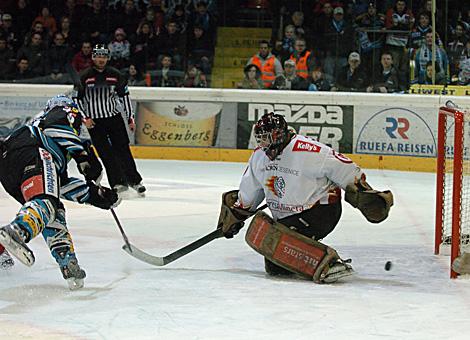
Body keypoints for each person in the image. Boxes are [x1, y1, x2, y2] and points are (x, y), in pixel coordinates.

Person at [216, 113, 393, 283]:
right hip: (287, 217)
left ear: (277, 136)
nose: (263, 144)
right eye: (260, 139)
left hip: (321, 212)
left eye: (266, 138)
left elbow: (345, 168)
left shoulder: (309, 151)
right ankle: (311, 253)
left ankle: (330, 262)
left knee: (279, 241)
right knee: (276, 266)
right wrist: (237, 214)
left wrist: (362, 192)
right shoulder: (259, 157)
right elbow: (250, 191)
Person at [0, 94, 120, 289]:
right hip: (32, 151)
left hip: (10, 167)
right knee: (46, 202)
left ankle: (67, 262)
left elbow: (59, 184)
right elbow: (55, 127)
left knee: (52, 207)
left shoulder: (51, 142)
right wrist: (83, 156)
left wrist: (94, 195)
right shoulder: (64, 109)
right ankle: (18, 231)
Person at [75, 44, 146, 195]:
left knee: (123, 150)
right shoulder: (84, 76)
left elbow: (125, 98)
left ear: (108, 57)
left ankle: (134, 181)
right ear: (93, 57)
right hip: (95, 122)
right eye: (98, 56)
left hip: (114, 118)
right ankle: (118, 183)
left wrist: (130, 119)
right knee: (106, 154)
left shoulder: (116, 75)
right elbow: (77, 100)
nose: (101, 59)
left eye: (104, 56)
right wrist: (85, 118)